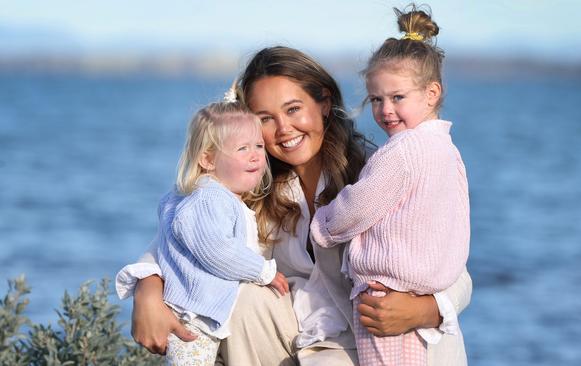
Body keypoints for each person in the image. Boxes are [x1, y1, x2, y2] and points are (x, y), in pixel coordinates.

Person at [116, 45, 472, 366]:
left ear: (324, 104)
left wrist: (424, 311)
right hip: (289, 337)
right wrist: (149, 287)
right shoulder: (248, 179)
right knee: (247, 299)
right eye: (265, 118)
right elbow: (186, 229)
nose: (284, 129)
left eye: (293, 109)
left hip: (370, 342)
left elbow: (452, 266)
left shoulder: (377, 171)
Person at [309, 4, 470, 365]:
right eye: (376, 100)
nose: (385, 111)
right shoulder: (446, 150)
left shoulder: (401, 152)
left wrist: (322, 224)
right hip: (424, 291)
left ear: (432, 93)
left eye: (398, 97)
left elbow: (360, 206)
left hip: (386, 292)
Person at [124, 99, 290, 365]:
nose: (256, 155)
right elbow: (217, 250)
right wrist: (264, 271)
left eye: (258, 145)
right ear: (207, 159)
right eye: (242, 148)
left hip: (202, 315)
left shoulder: (215, 196)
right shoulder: (208, 198)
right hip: (193, 319)